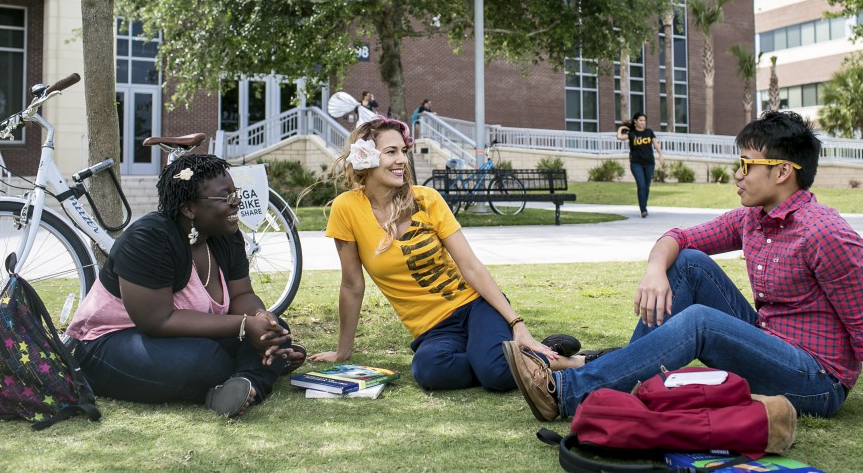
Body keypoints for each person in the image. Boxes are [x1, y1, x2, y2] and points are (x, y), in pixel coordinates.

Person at [505, 111, 863, 431]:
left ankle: (565, 390)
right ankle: (612, 374)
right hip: (769, 340)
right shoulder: (751, 218)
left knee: (701, 321)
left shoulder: (827, 235)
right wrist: (654, 270)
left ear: (782, 172)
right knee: (689, 264)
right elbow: (679, 238)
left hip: (815, 379)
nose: (736, 176)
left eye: (745, 165)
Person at [310, 116, 585, 390]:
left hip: (475, 306)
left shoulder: (427, 199)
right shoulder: (346, 208)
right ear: (365, 158)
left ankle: (567, 362)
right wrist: (342, 351)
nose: (402, 161)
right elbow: (351, 285)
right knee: (430, 371)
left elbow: (470, 265)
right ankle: (509, 356)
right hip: (434, 330)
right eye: (390, 152)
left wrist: (517, 324)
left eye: (403, 152)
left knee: (496, 375)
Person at [67, 154, 305, 418]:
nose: (236, 202)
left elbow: (243, 294)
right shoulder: (149, 239)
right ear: (189, 208)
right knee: (203, 360)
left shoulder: (227, 236)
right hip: (109, 343)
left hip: (180, 338)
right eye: (226, 197)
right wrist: (245, 327)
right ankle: (261, 367)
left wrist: (261, 319)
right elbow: (156, 321)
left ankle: (245, 384)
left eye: (235, 193)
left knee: (277, 328)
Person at [616, 112, 664, 218]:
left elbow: (656, 144)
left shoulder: (649, 132)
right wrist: (621, 128)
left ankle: (643, 206)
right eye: (641, 120)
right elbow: (619, 137)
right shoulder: (632, 134)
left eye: (644, 120)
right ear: (635, 121)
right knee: (641, 185)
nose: (643, 122)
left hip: (649, 163)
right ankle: (643, 210)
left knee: (646, 187)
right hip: (636, 163)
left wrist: (660, 154)